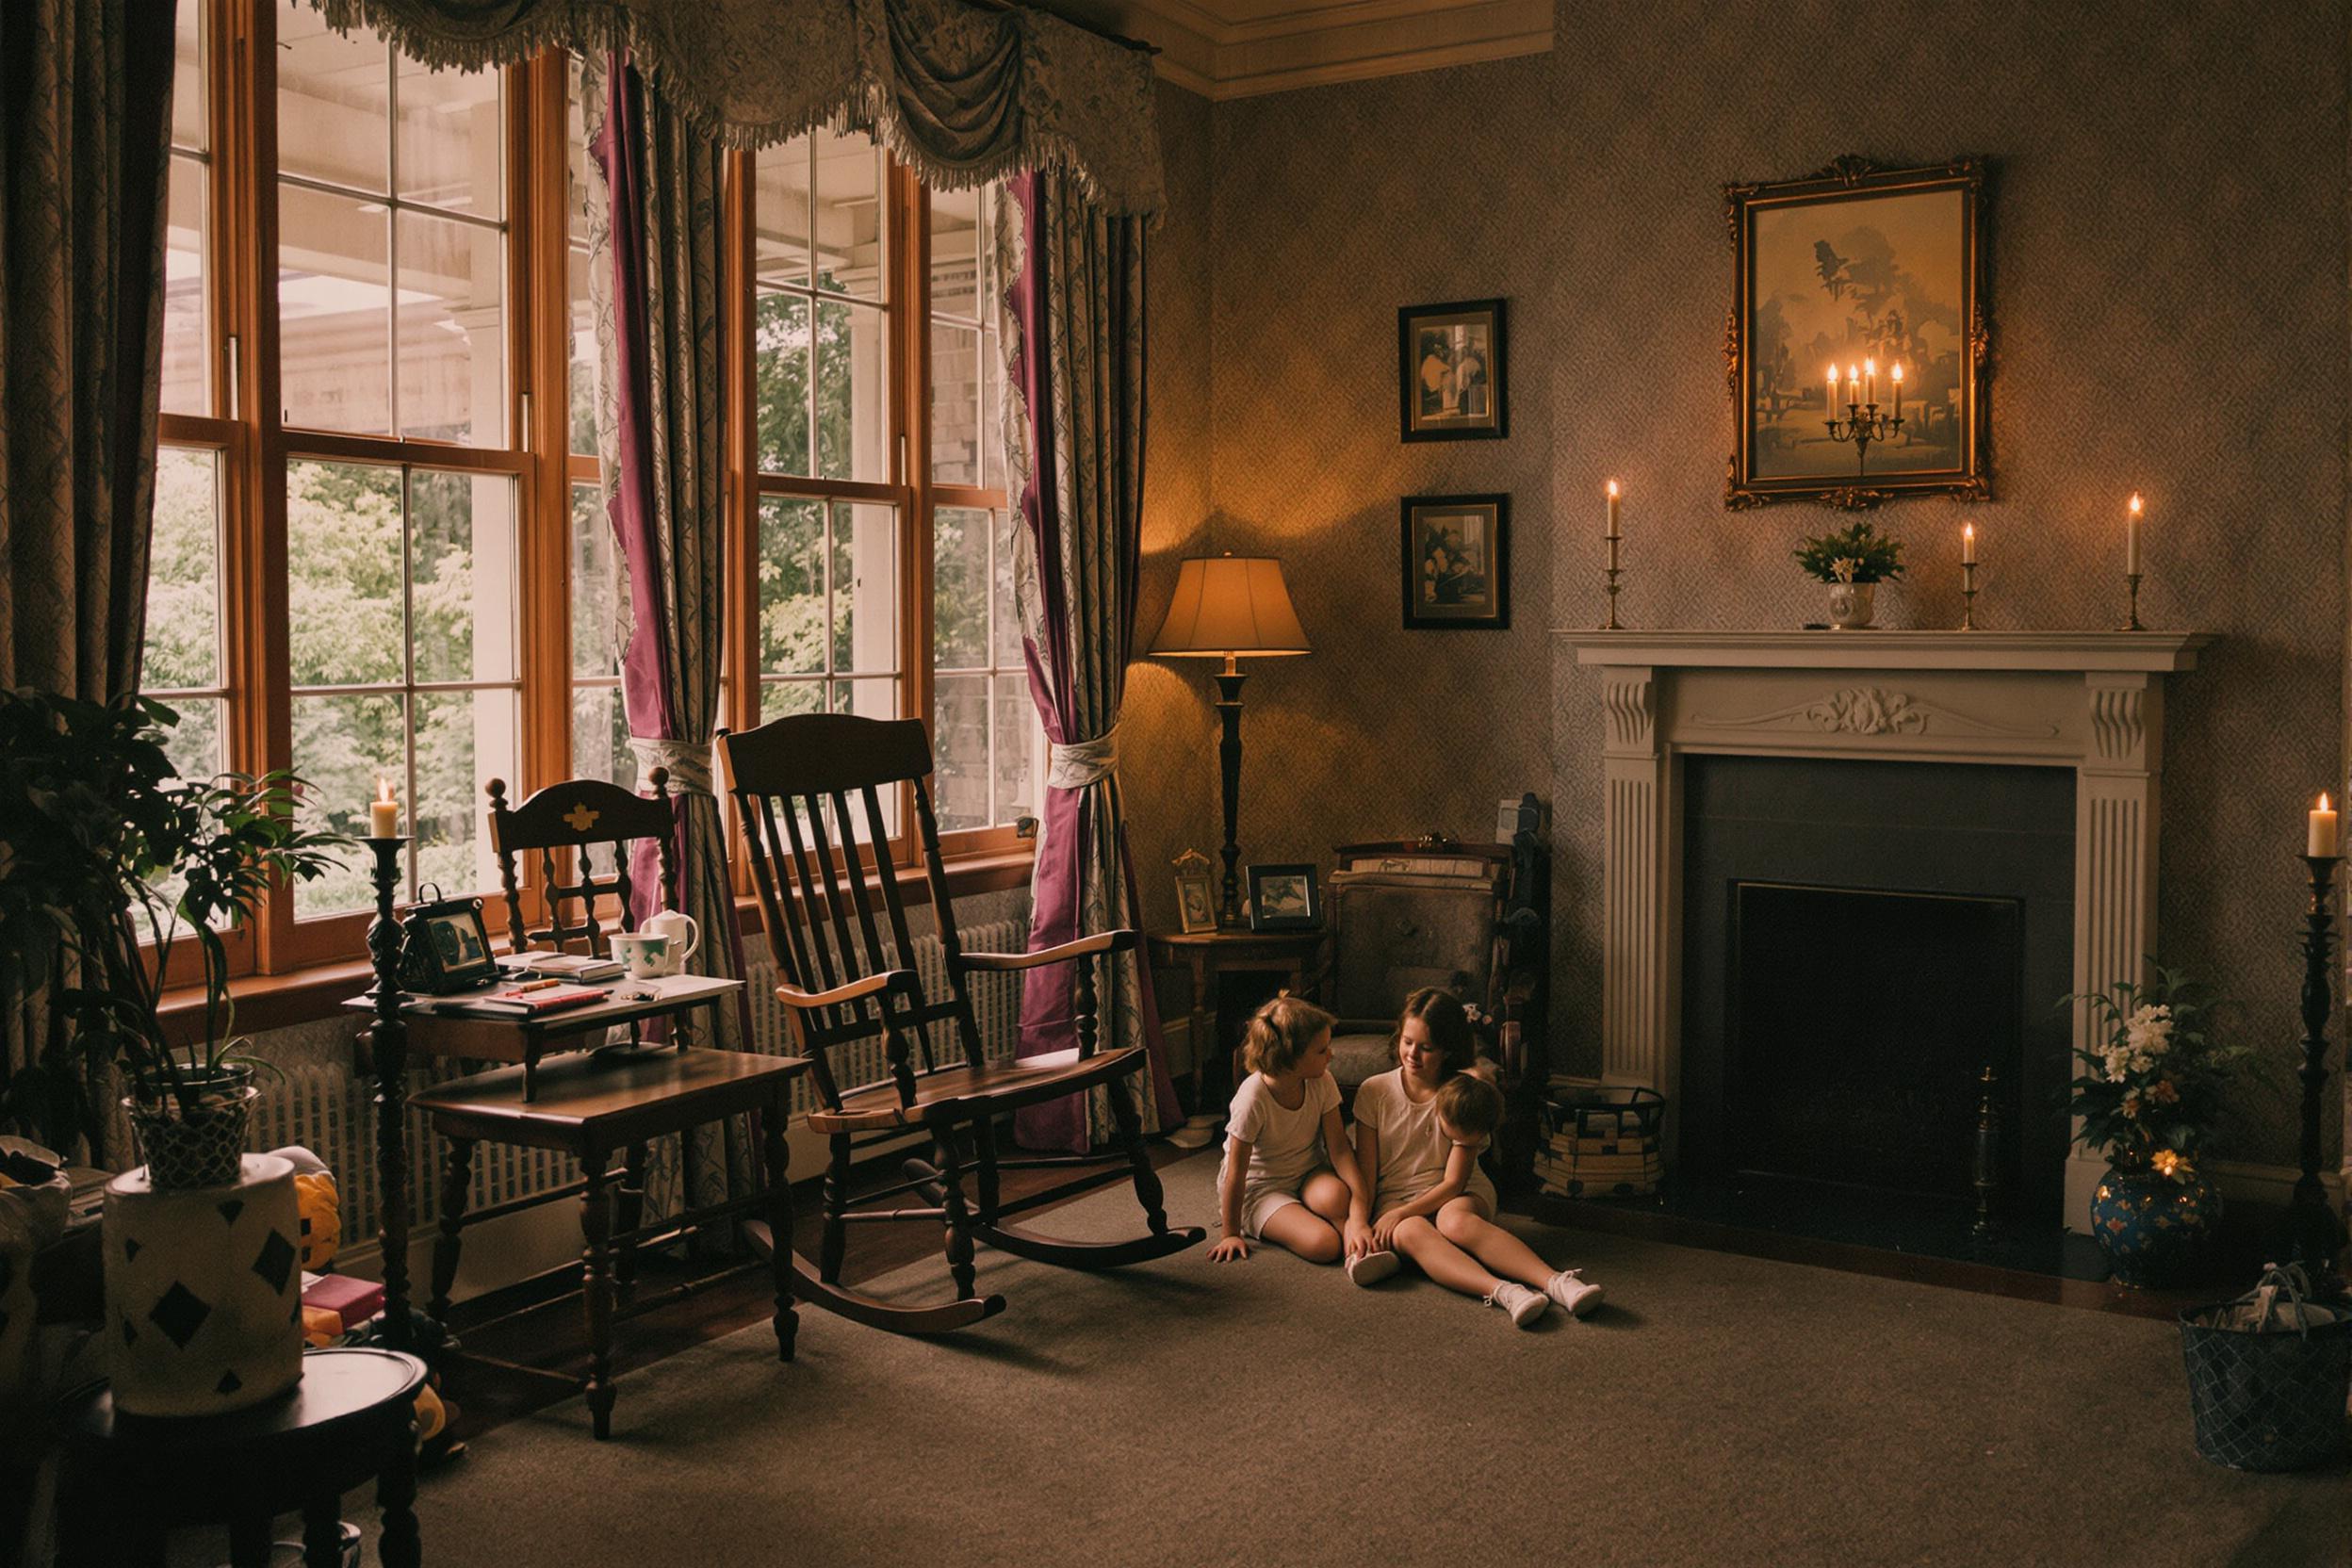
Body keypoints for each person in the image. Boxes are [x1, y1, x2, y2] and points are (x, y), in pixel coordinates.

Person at [1351, 987, 1606, 1326]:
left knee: (1452, 1221)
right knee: (1410, 1231)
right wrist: (1361, 1222)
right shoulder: (1374, 1091)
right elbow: (1366, 1176)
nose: (1412, 1054)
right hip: (1396, 1198)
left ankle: (1557, 1282)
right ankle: (1505, 1291)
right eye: (1407, 1041)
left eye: (1426, 1048)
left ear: (1447, 1050)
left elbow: (1454, 1182)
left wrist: (1403, 1211)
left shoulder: (1461, 1096)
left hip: (1457, 1192)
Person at [1208, 994, 1389, 1278]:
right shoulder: (1252, 1097)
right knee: (1322, 1244)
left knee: (1338, 1199)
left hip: (1308, 1172)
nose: (1331, 1055)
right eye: (1321, 1051)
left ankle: (1361, 1250)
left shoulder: (1322, 1080)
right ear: (1290, 1059)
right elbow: (1236, 1172)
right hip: (1262, 1189)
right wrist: (1230, 1233)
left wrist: (1358, 1204)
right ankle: (1350, 1248)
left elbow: (1339, 1149)